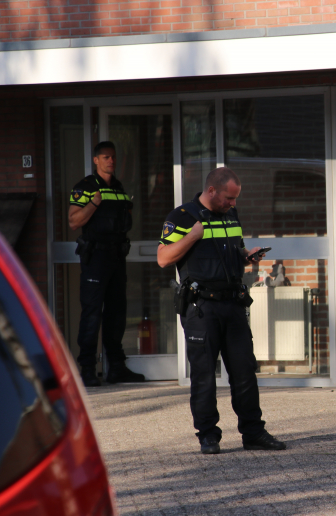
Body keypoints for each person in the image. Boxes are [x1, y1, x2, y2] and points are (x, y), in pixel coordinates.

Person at [157, 167, 286, 455]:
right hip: (201, 308)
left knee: (244, 371)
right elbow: (163, 258)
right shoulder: (182, 217)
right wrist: (192, 236)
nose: (233, 204)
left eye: (235, 199)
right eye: (229, 198)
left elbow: (231, 248)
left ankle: (253, 432)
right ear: (212, 190)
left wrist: (245, 254)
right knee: (203, 374)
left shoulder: (231, 215)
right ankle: (208, 435)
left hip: (233, 304)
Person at [69, 141, 145, 388]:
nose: (110, 161)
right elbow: (73, 221)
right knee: (92, 313)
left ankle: (116, 368)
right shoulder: (86, 188)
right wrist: (94, 203)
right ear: (96, 160)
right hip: (96, 258)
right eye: (105, 157)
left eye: (113, 157)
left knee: (116, 314)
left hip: (116, 258)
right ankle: (88, 369)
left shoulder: (121, 189)